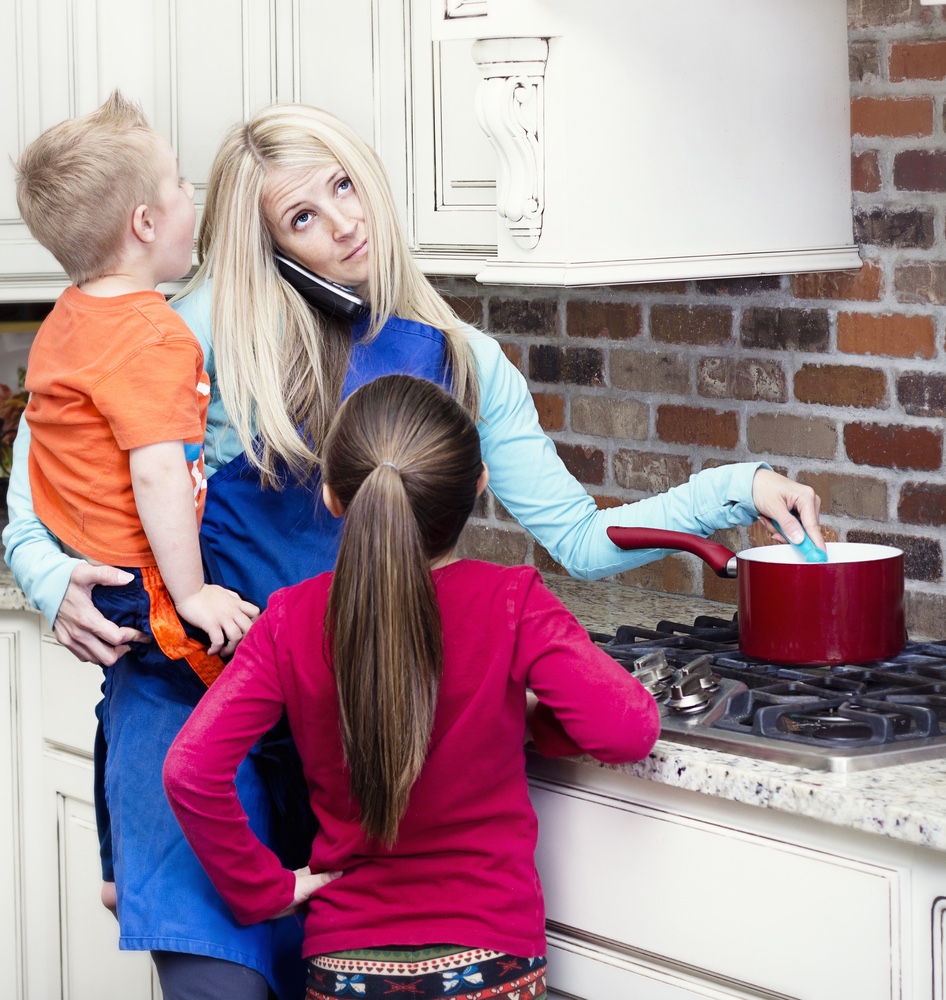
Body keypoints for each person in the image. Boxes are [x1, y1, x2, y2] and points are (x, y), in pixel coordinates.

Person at [4, 101, 824, 998]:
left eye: (347, 186)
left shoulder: (459, 358)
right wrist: (49, 579)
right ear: (262, 240)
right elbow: (34, 497)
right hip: (195, 715)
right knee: (219, 985)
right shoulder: (172, 332)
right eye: (304, 216)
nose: (348, 224)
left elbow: (579, 538)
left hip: (359, 730)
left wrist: (733, 491)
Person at [163, 372, 662, 1000]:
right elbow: (627, 729)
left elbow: (189, 769)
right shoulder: (512, 601)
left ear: (333, 497)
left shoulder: (291, 620)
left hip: (347, 966)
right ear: (479, 487)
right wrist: (534, 719)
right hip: (491, 960)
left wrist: (263, 888)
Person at [12, 90, 259, 948]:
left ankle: (118, 873)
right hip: (146, 578)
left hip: (93, 558)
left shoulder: (73, 316)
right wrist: (192, 597)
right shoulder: (155, 337)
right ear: (148, 222)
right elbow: (157, 471)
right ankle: (155, 878)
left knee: (122, 707)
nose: (196, 200)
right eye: (185, 185)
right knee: (227, 707)